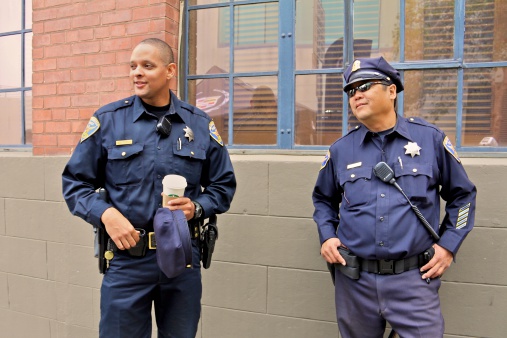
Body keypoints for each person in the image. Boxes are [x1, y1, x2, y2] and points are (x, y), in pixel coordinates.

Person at [62, 38, 236, 338]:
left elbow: (223, 185)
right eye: (132, 66)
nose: (136, 73)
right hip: (128, 258)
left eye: (147, 66)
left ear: (169, 71)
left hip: (182, 260)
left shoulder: (198, 124)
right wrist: (106, 215)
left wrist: (197, 207)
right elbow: (75, 183)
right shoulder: (109, 121)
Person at [312, 56, 476, 337]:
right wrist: (327, 235)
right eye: (351, 90)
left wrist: (449, 246)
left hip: (414, 280)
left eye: (365, 85)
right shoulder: (341, 150)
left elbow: (464, 197)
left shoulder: (430, 140)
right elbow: (323, 201)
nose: (357, 94)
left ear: (392, 90)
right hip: (355, 282)